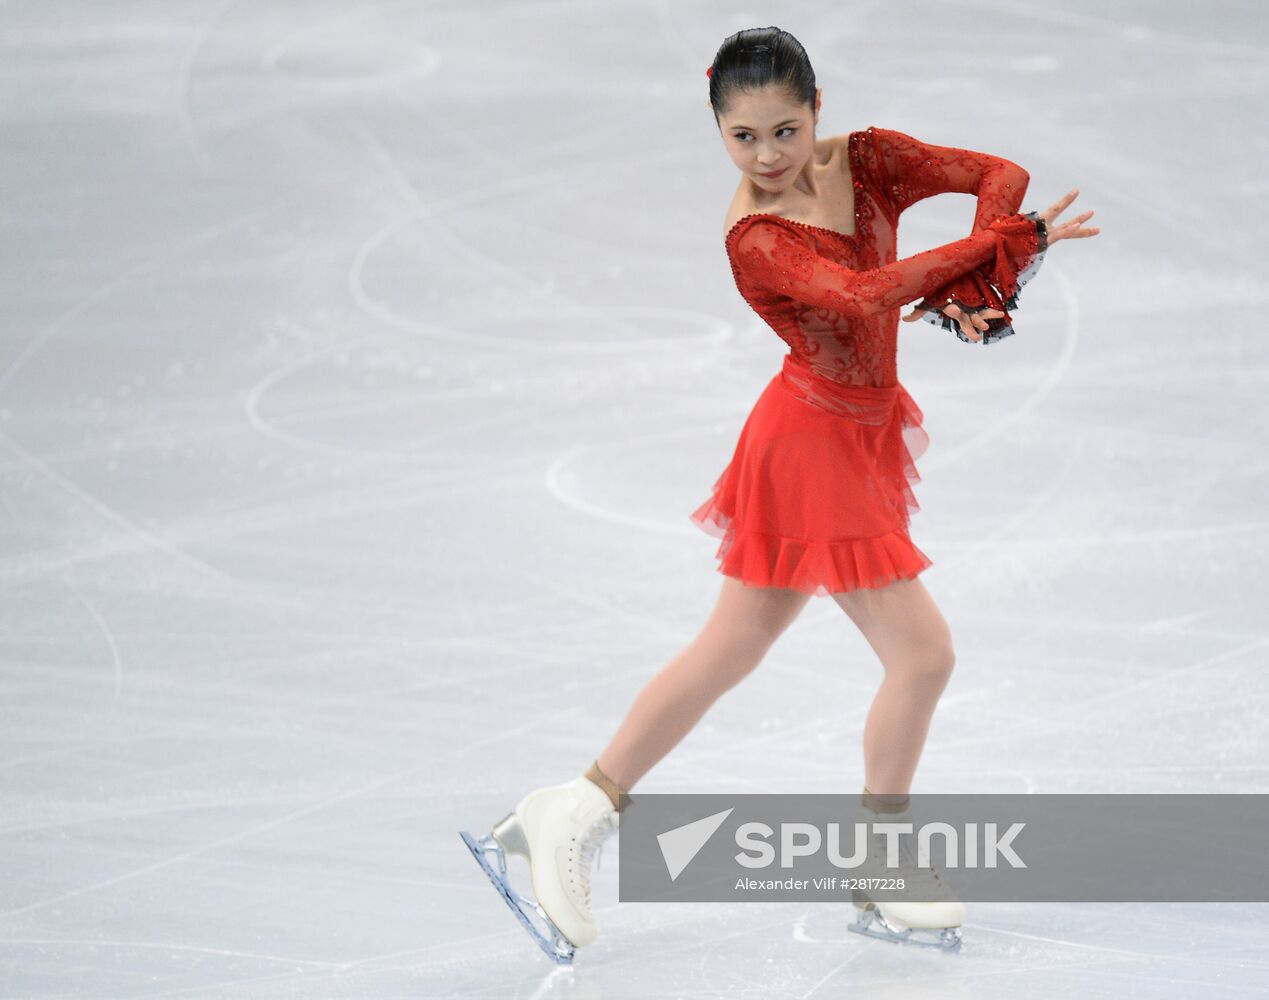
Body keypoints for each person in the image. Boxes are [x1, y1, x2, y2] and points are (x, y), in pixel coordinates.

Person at [459, 25, 1100, 963]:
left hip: (855, 430)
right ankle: (879, 855)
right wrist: (1005, 246)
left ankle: (575, 806)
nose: (765, 156)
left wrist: (985, 268)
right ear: (719, 130)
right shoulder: (755, 238)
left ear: (816, 110)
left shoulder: (873, 161)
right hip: (809, 447)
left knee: (730, 648)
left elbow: (997, 173)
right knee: (921, 656)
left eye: (783, 130)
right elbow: (863, 297)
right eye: (741, 137)